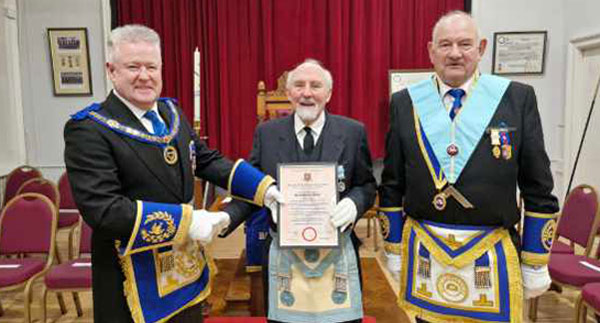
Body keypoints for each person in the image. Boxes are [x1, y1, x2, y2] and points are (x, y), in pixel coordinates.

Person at [64, 24, 282, 323]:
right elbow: (104, 211)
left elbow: (206, 160)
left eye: (151, 66)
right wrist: (190, 222)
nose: (144, 75)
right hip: (131, 281)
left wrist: (264, 188)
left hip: (184, 270)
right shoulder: (89, 129)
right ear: (111, 70)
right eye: (133, 67)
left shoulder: (171, 114)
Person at [379, 11, 559, 323]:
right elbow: (393, 182)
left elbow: (538, 185)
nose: (454, 53)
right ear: (430, 50)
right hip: (426, 253)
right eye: (445, 44)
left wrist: (535, 260)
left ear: (482, 48)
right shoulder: (405, 102)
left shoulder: (517, 98)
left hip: (492, 253)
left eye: (465, 44)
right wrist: (393, 246)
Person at [221, 59, 377, 323]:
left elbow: (366, 185)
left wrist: (354, 203)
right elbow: (252, 188)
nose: (307, 92)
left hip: (337, 254)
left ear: (328, 94)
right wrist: (225, 218)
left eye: (315, 86)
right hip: (284, 257)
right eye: (299, 85)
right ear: (289, 93)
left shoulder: (352, 132)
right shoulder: (266, 133)